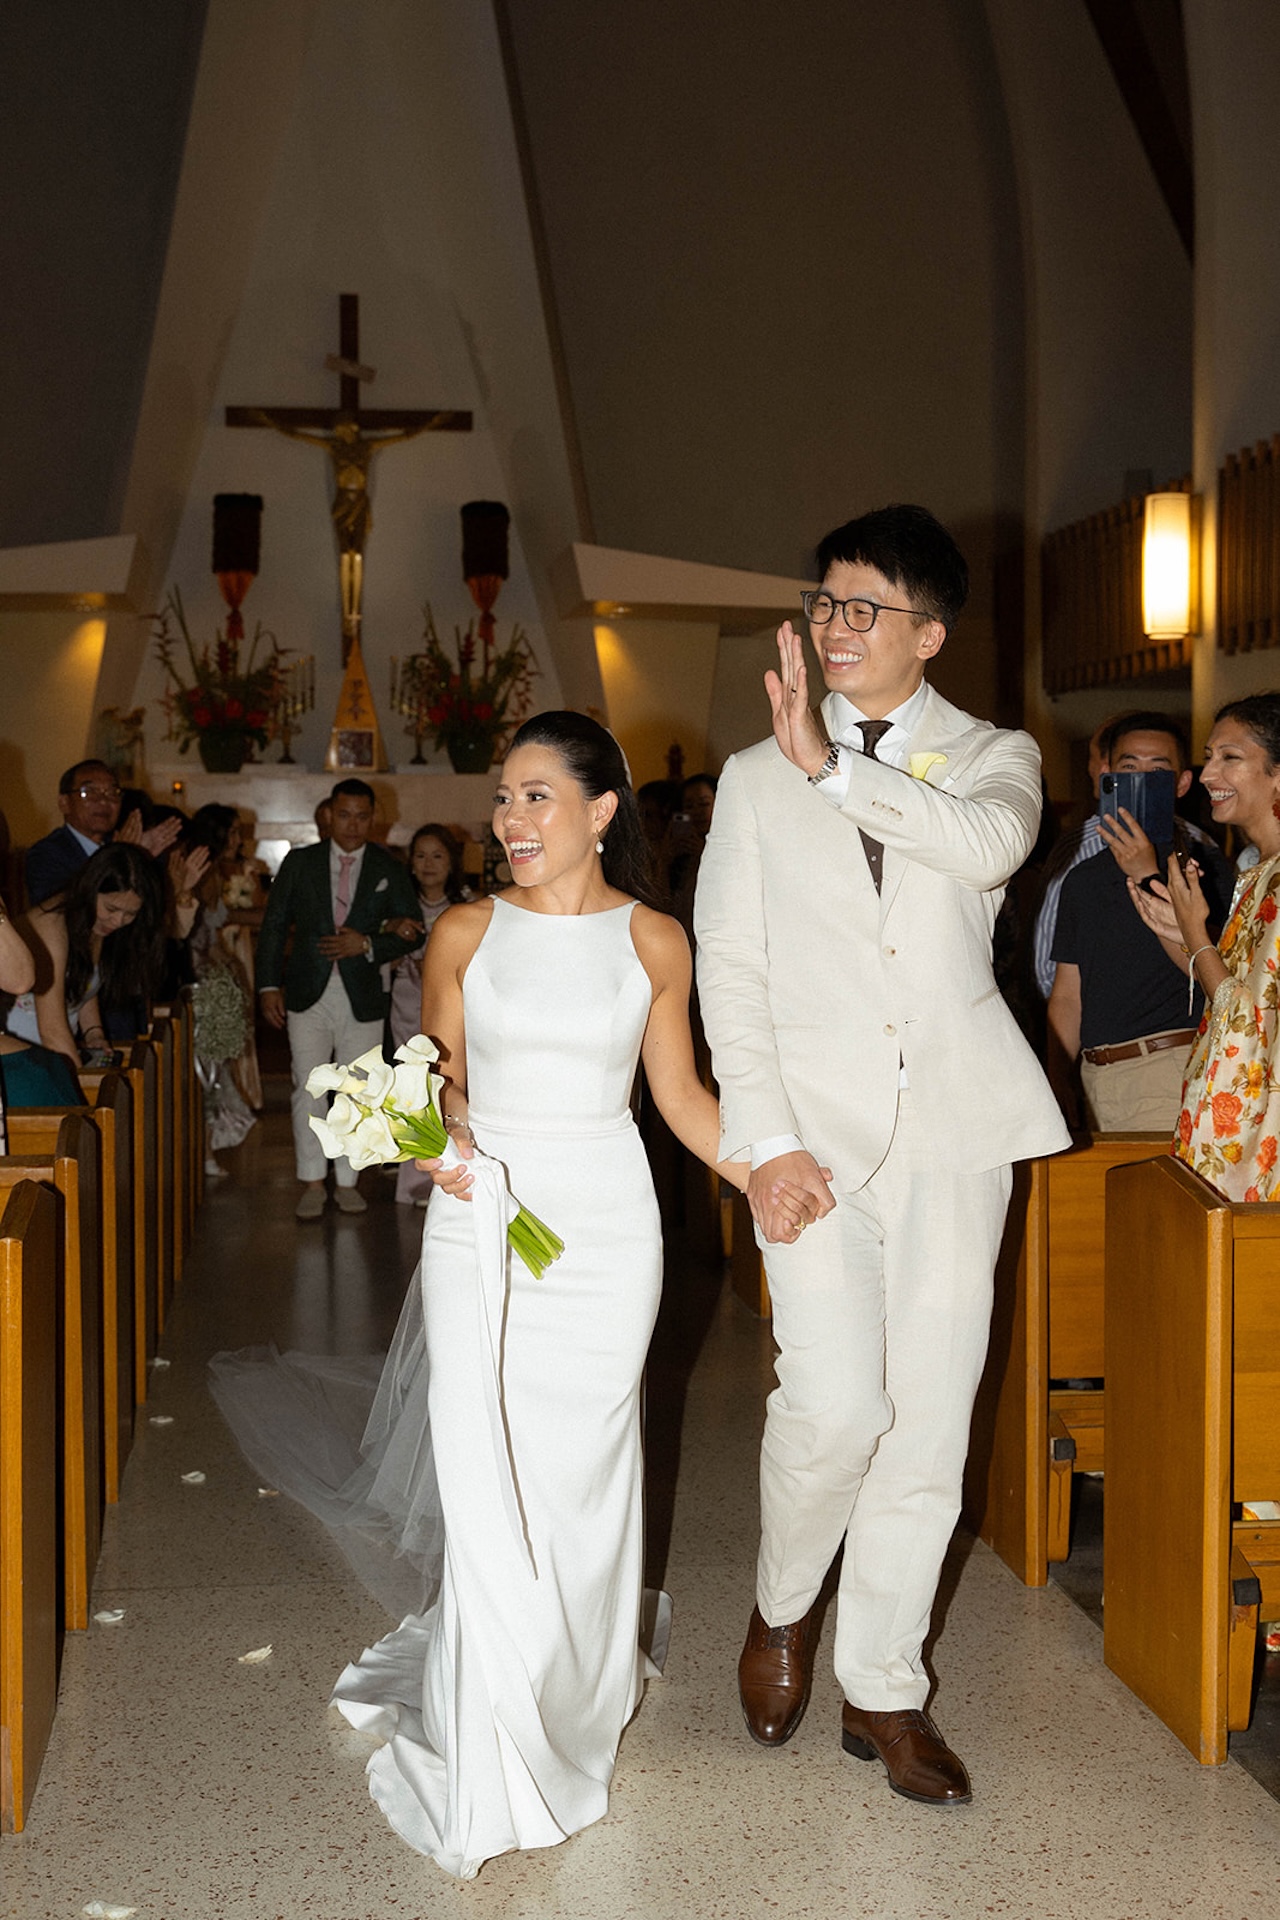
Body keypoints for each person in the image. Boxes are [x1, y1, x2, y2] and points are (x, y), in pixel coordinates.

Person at [212, 712, 811, 1878]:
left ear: (599, 812)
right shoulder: (463, 930)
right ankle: (489, 1722)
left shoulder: (653, 940)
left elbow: (681, 1099)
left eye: (538, 796)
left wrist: (762, 1169)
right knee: (483, 1453)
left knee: (584, 1462)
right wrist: (432, 1137)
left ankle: (572, 1684)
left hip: (601, 1220)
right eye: (503, 797)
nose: (510, 819)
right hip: (481, 1220)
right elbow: (441, 1077)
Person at [694, 503, 1070, 1805]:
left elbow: (985, 849)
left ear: (929, 632)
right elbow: (730, 976)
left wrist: (836, 770)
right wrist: (767, 1144)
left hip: (959, 1132)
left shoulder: (995, 755)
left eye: (863, 608)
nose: (834, 627)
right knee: (836, 1402)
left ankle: (885, 1691)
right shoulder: (748, 779)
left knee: (928, 1418)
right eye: (825, 603)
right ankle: (783, 1605)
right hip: (809, 1141)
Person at [1047, 716, 1233, 1131]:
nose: (1142, 779)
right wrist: (1057, 1081)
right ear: (1106, 774)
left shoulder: (1203, 866)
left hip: (1166, 1069)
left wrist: (1145, 874)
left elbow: (1213, 972)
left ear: (1182, 784)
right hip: (1096, 1076)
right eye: (1129, 769)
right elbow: (1068, 994)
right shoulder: (1083, 876)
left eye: (1158, 771)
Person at [1129, 692, 1280, 1201]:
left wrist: (1196, 934)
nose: (1209, 773)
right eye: (1210, 756)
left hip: (1261, 1131)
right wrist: (1182, 933)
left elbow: (1246, 1021)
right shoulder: (1257, 871)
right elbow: (1231, 994)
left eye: (1230, 758)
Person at [255, 779, 422, 1218]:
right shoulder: (301, 862)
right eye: (344, 815)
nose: (352, 824)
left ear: (374, 817)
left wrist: (366, 944)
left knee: (359, 1089)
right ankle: (312, 1179)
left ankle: (348, 1179)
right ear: (328, 815)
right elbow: (274, 925)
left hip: (363, 992)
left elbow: (412, 928)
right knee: (307, 1085)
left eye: (362, 816)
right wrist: (268, 985)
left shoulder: (387, 866)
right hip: (308, 989)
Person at [8, 844, 166, 1067]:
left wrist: (94, 1034)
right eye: (111, 909)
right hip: (23, 1055)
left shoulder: (96, 925)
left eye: (130, 913)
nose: (118, 921)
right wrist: (78, 1088)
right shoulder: (50, 926)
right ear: (90, 890)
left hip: (57, 1049)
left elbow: (84, 984)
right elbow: (52, 1030)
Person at [388, 824, 472, 1207]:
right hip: (406, 1005)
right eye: (420, 855)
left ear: (451, 861)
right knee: (410, 1089)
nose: (428, 864)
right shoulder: (397, 906)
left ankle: (454, 1169)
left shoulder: (468, 906)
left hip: (451, 1011)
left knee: (445, 1084)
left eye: (437, 855)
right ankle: (412, 1181)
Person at [24, 759, 181, 907]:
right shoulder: (46, 854)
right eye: (89, 792)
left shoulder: (131, 845)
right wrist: (117, 860)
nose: (103, 801)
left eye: (113, 792)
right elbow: (61, 911)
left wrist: (140, 860)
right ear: (64, 803)